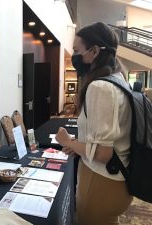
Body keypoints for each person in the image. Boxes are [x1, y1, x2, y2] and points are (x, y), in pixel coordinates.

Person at [56, 22, 132, 225]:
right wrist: (80, 148)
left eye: (76, 50)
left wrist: (68, 141)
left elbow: (103, 154)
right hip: (115, 182)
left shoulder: (100, 87)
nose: (74, 56)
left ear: (95, 51)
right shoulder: (118, 79)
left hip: (101, 182)